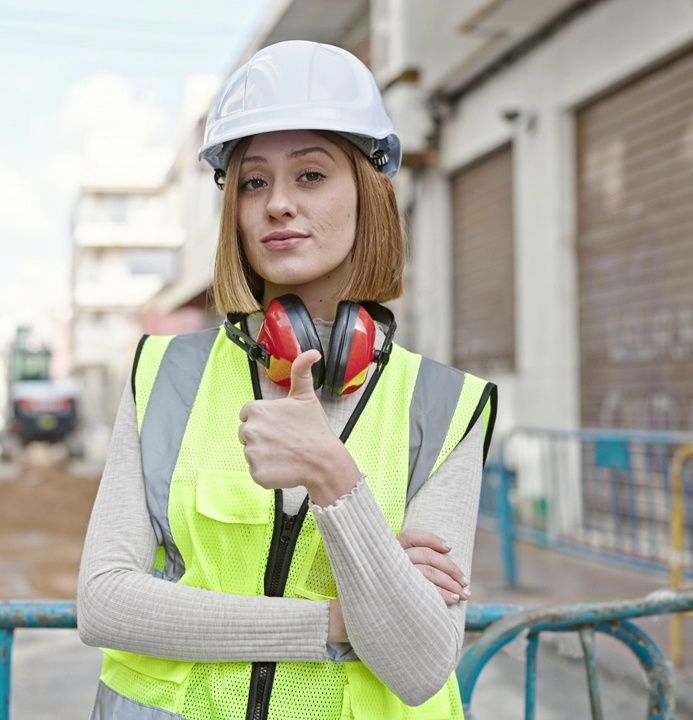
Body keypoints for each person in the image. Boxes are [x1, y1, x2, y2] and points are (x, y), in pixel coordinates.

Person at [77, 40, 498, 720]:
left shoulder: (446, 406)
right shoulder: (162, 374)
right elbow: (104, 602)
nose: (277, 204)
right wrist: (339, 619)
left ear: (369, 191)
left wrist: (334, 478)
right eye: (253, 181)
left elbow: (422, 663)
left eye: (310, 175)